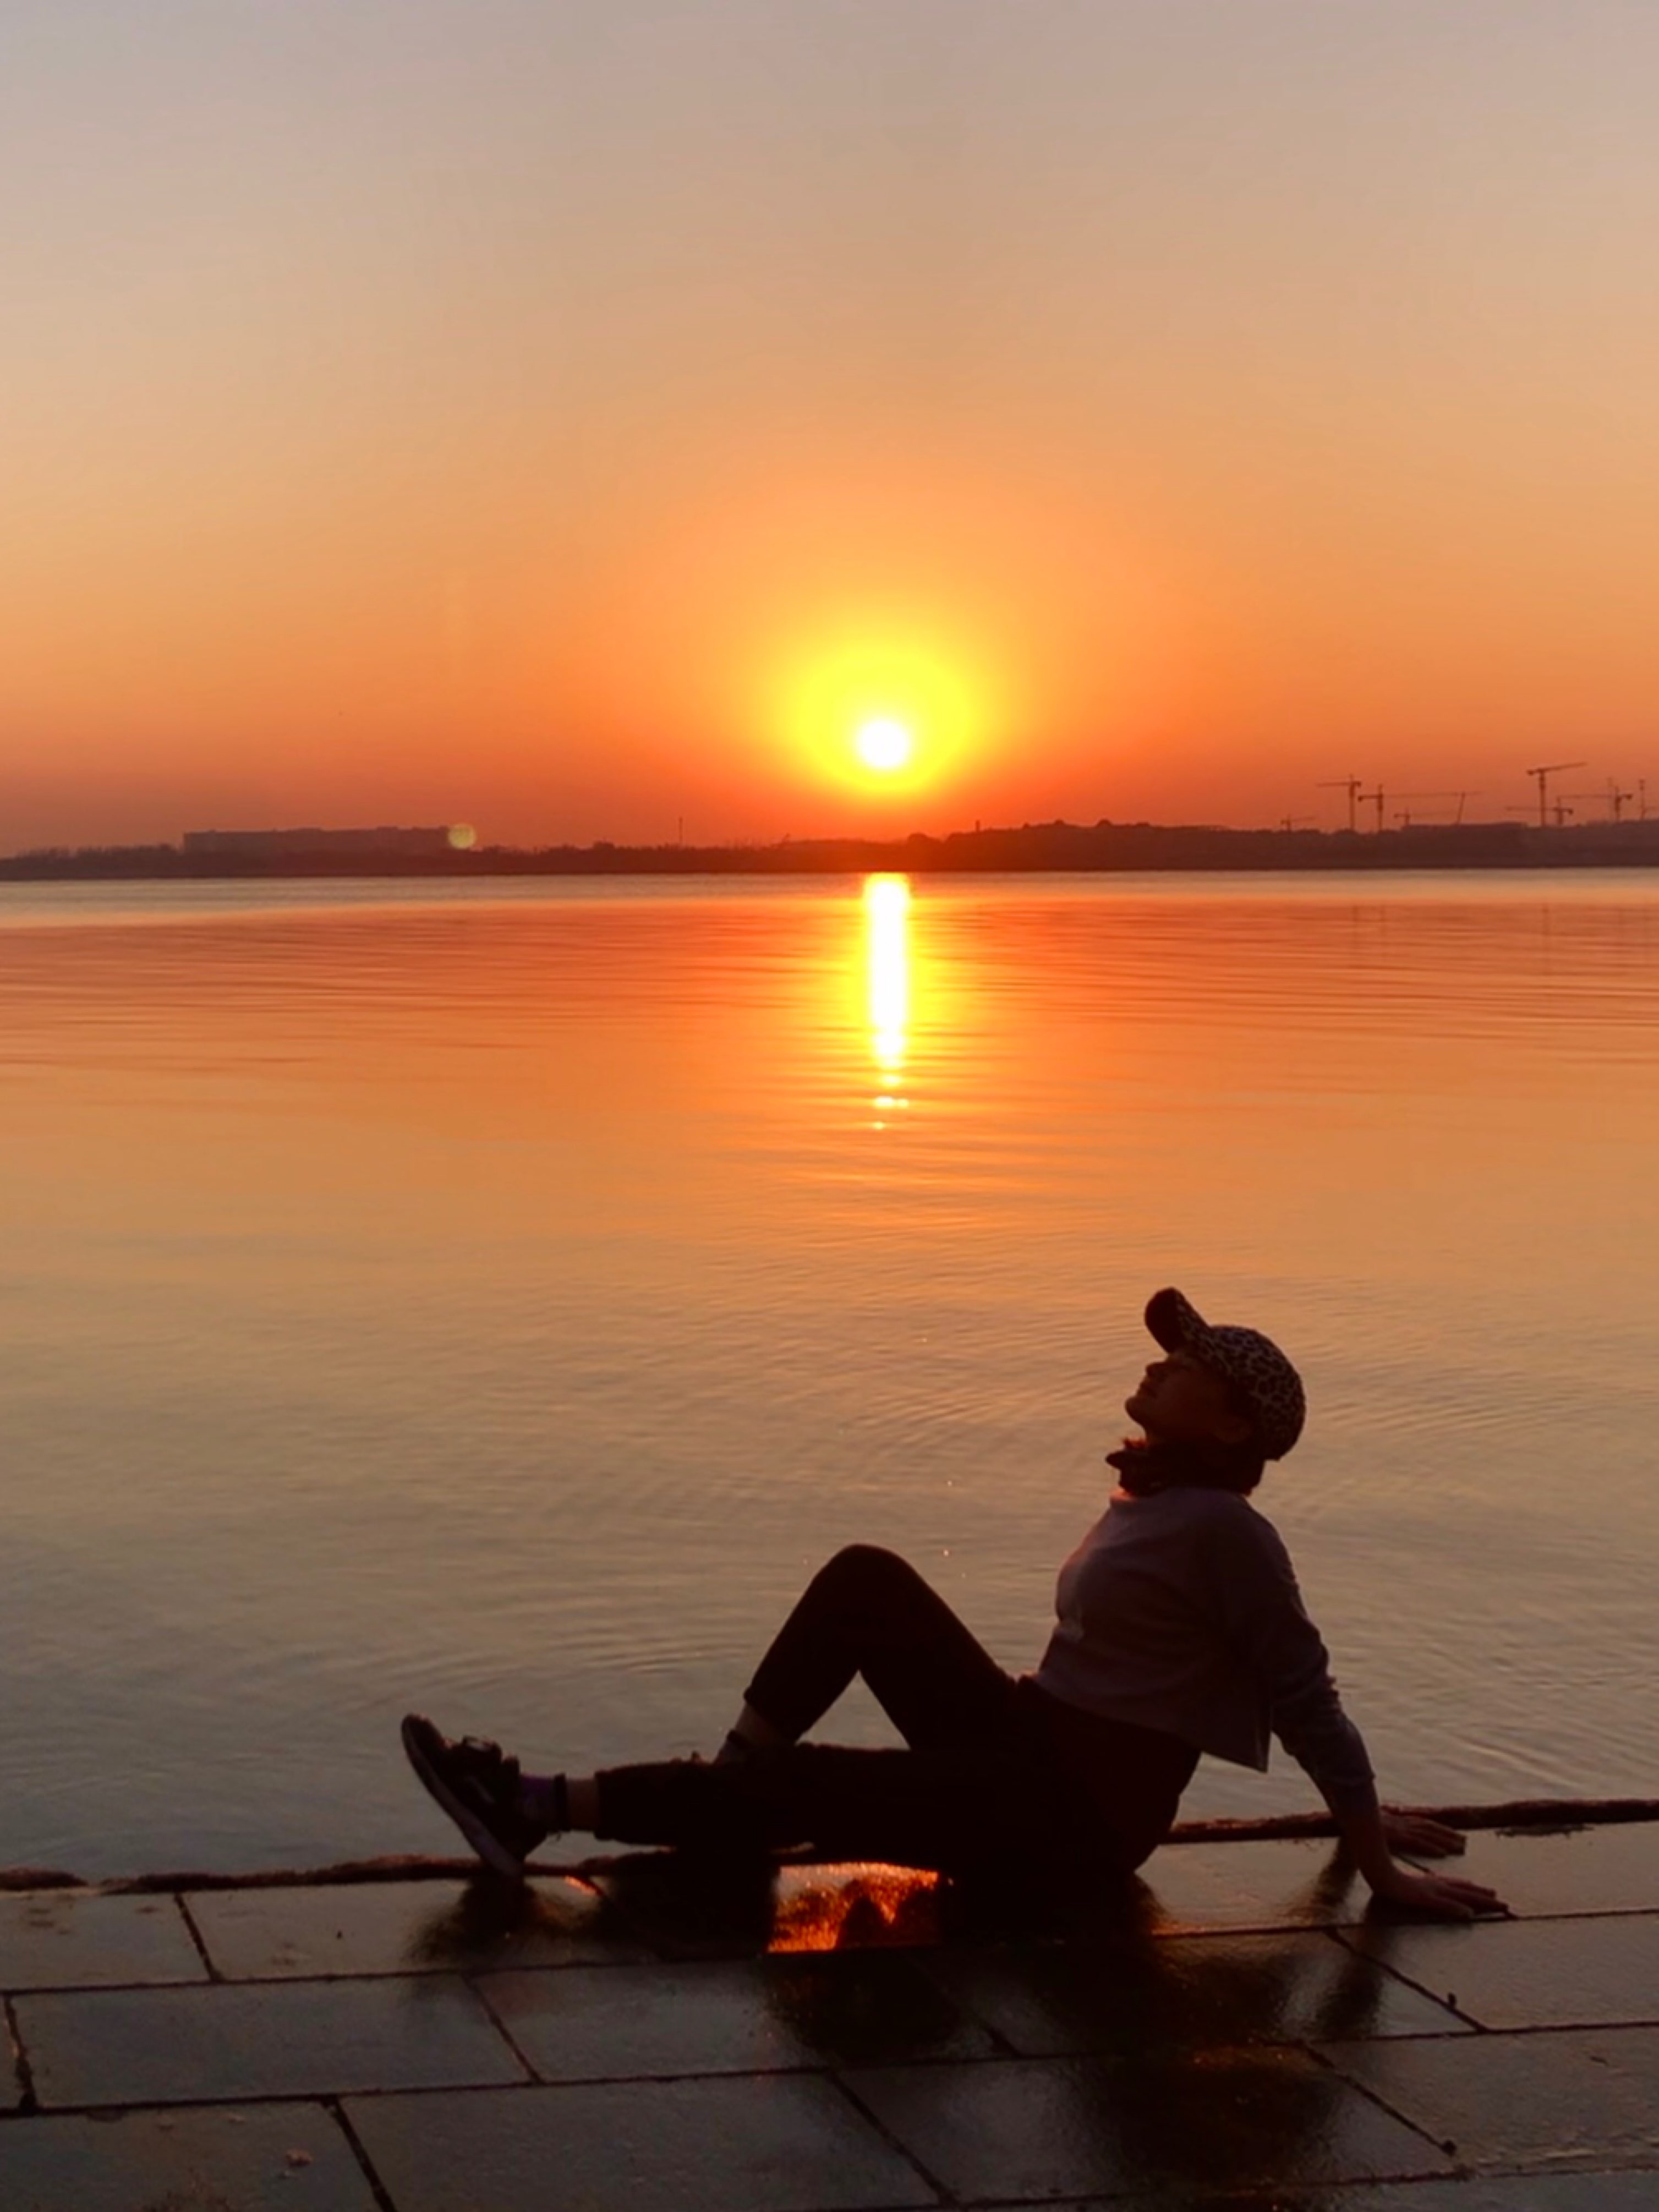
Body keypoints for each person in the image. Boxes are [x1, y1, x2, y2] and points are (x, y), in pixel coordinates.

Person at [402, 1287, 1505, 1919]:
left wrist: (1370, 1858)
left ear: (1226, 1427)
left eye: (1185, 1366)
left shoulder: (1225, 1533)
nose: (1159, 1367)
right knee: (866, 1579)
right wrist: (1357, 1812)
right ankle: (727, 1796)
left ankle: (533, 1809)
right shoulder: (1162, 1499)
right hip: (1032, 1741)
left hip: (1072, 1820)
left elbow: (1300, 1692)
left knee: (810, 1785)